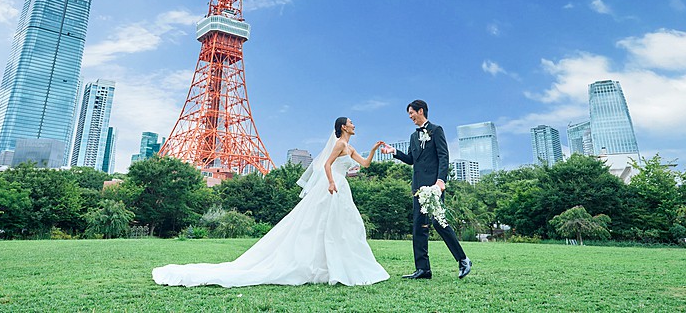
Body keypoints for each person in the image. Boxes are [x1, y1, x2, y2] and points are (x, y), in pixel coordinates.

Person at [152, 117, 389, 287]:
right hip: (333, 187)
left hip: (343, 189)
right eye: (351, 122)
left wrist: (375, 149)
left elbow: (365, 164)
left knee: (343, 227)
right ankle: (323, 264)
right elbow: (326, 165)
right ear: (343, 127)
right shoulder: (339, 144)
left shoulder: (350, 147)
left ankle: (334, 264)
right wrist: (329, 182)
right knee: (320, 225)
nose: (354, 125)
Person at [381, 99, 472, 280]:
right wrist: (394, 152)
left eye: (412, 113)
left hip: (434, 186)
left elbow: (444, 156)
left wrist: (440, 181)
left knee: (439, 222)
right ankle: (423, 270)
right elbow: (411, 160)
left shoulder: (436, 130)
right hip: (418, 188)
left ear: (420, 111)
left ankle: (463, 260)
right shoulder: (413, 137)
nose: (410, 117)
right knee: (418, 227)